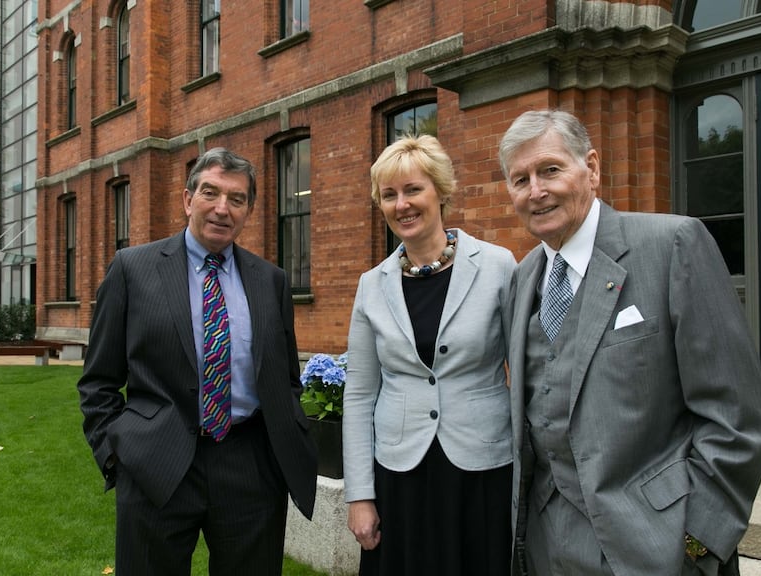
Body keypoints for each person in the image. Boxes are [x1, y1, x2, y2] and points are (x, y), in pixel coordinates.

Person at [500, 109, 761, 576]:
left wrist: (696, 542)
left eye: (550, 170)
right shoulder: (522, 279)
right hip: (548, 547)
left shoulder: (673, 246)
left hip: (656, 548)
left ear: (592, 168)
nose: (537, 191)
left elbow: (736, 418)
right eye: (520, 179)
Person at [77, 147, 317, 575]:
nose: (222, 208)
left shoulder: (271, 281)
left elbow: (286, 378)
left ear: (249, 210)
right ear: (188, 199)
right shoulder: (133, 269)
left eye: (237, 199)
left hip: (249, 466)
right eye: (211, 192)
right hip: (158, 462)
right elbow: (98, 380)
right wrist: (117, 455)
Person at [343, 135, 516, 575]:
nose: (402, 204)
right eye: (389, 195)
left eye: (413, 189)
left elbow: (528, 370)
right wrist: (360, 495)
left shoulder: (498, 267)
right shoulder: (371, 285)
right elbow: (360, 395)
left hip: (480, 470)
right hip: (401, 474)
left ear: (440, 191)